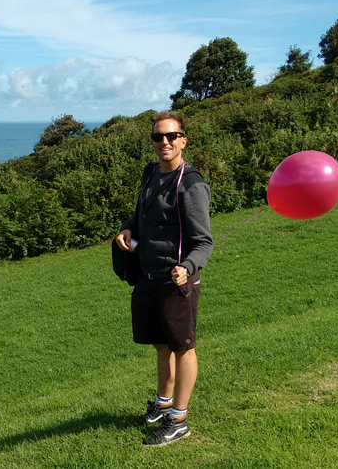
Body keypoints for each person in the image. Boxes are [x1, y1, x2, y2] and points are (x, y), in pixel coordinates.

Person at [115, 111, 213, 447]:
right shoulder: (150, 173)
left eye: (172, 136)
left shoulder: (192, 184)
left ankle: (179, 420)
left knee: (183, 347)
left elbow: (203, 242)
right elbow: (142, 210)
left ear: (183, 140)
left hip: (176, 281)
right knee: (160, 344)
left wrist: (187, 266)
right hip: (147, 274)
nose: (165, 142)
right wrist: (129, 226)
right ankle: (163, 403)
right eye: (158, 137)